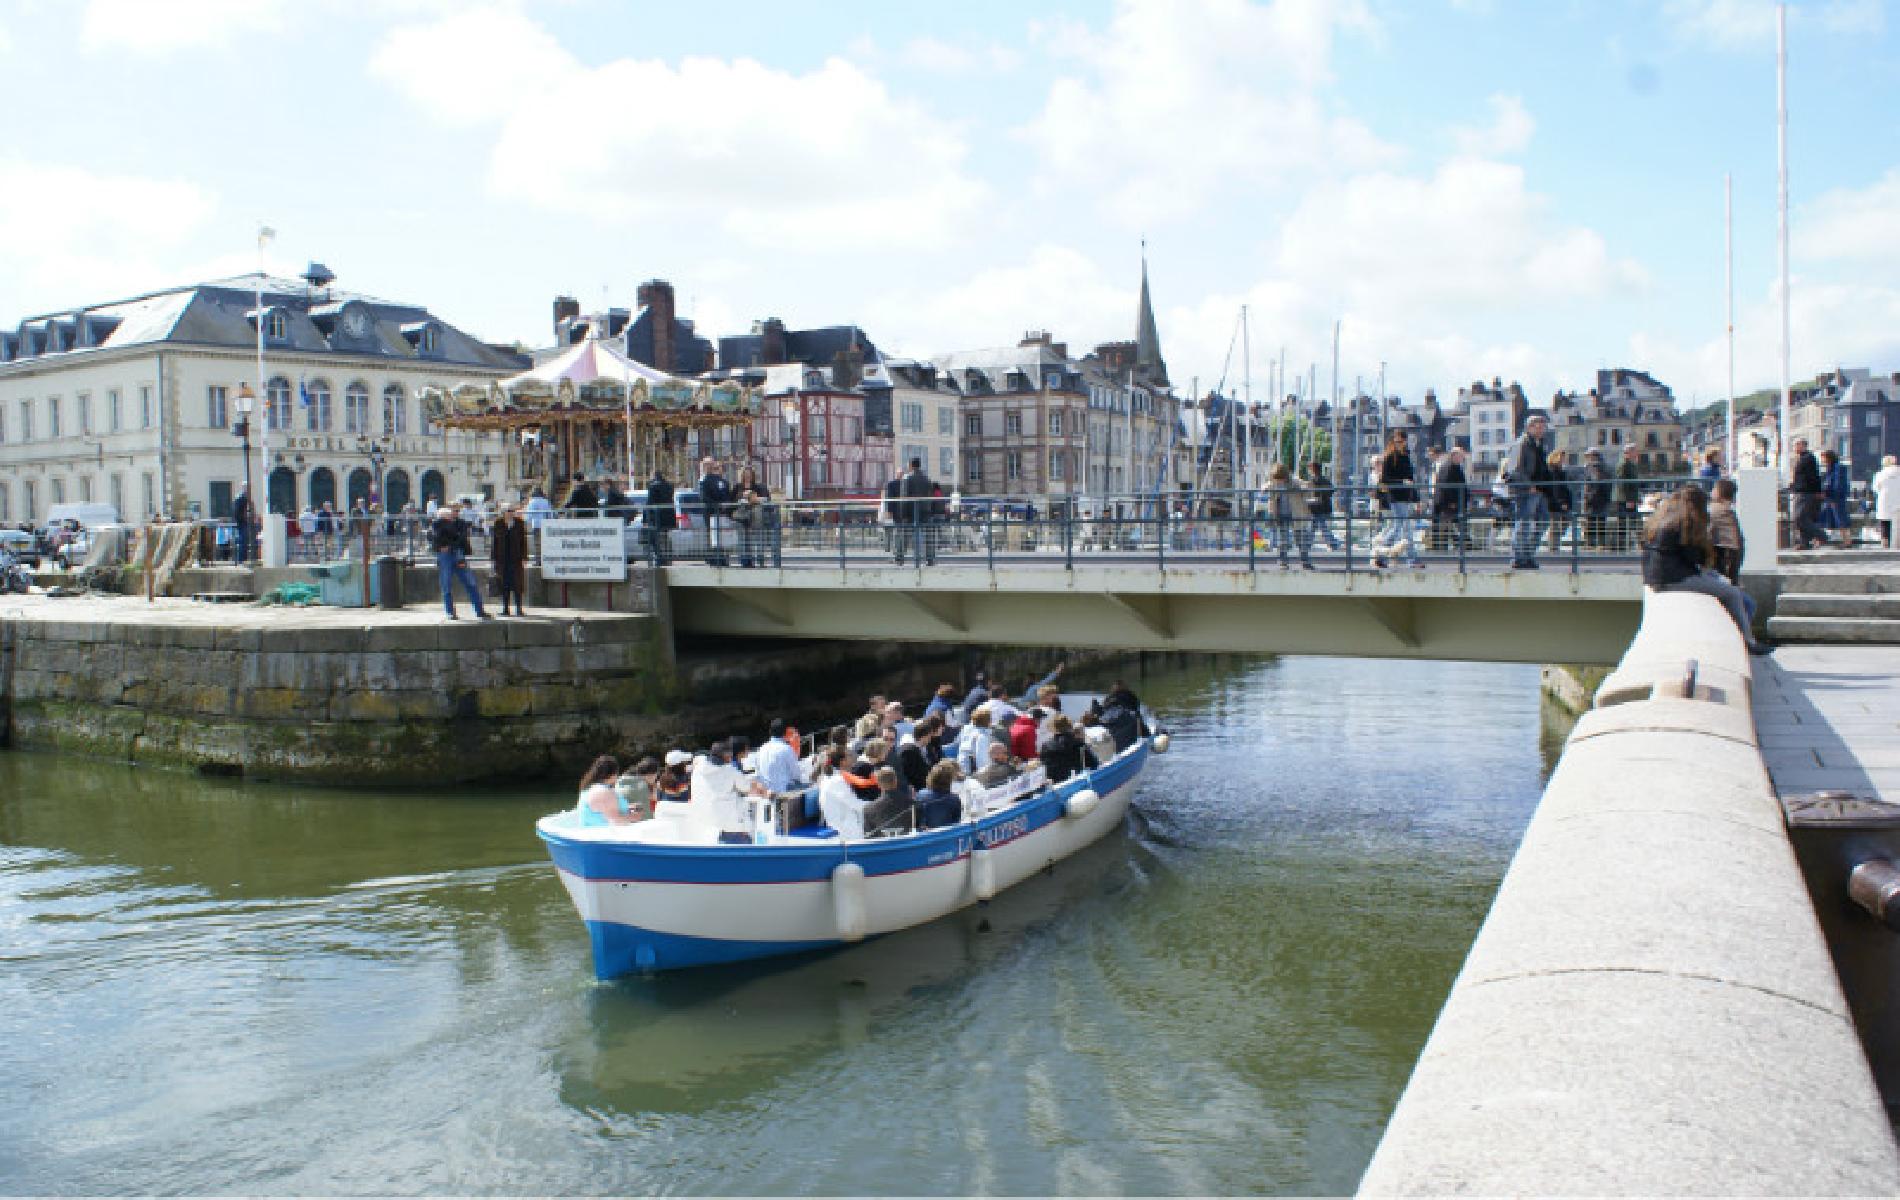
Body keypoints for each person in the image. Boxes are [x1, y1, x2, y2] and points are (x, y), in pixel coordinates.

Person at [1643, 486, 1770, 654]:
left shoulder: (1664, 520)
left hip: (1657, 577)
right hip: (1673, 579)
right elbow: (1695, 557)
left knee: (1722, 584)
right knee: (1732, 593)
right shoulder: (1684, 524)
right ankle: (1749, 642)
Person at [691, 738, 765, 844]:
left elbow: (697, 759)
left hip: (704, 823)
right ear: (726, 756)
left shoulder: (698, 767)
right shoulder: (729, 770)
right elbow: (747, 788)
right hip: (728, 825)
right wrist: (760, 787)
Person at [1504, 414, 1553, 569]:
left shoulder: (1539, 445)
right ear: (1529, 427)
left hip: (1539, 490)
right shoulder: (1521, 444)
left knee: (1543, 521)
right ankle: (1519, 557)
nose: (1541, 430)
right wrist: (1528, 485)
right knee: (1524, 523)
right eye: (1537, 426)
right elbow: (1514, 470)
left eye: (1542, 427)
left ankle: (1528, 554)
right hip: (1525, 490)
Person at [429, 501, 491, 621]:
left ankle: (479, 610)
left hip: (458, 555)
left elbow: (461, 539)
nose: (455, 513)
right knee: (446, 584)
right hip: (445, 556)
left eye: (457, 511)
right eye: (453, 510)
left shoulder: (461, 523)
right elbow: (434, 538)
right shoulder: (438, 523)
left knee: (470, 582)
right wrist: (444, 546)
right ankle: (450, 612)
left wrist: (449, 546)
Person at [1373, 430, 1422, 568]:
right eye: (1397, 442)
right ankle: (1408, 558)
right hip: (1395, 495)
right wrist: (1401, 482)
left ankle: (1384, 555)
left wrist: (1416, 499)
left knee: (1403, 527)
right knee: (1401, 526)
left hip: (1405, 496)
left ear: (1405, 441)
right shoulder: (1390, 457)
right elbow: (1384, 479)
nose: (1399, 444)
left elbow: (1411, 479)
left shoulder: (1406, 456)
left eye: (1401, 441)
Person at [1264, 463, 1313, 570]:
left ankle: (1305, 561)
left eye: (1280, 478)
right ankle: (1283, 561)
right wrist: (1265, 489)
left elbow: (1305, 488)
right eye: (1277, 479)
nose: (1279, 481)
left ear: (1285, 476)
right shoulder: (1274, 482)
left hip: (1296, 514)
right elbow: (1265, 486)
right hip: (1281, 514)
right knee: (1283, 539)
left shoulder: (1294, 482)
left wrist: (1304, 488)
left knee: (1300, 539)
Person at [815, 747, 868, 840]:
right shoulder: (837, 781)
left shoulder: (829, 778)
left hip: (844, 829)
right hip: (845, 834)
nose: (852, 758)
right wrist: (880, 805)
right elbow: (855, 804)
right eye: (849, 756)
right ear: (843, 761)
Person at [896, 456, 938, 566]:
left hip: (910, 511)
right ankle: (930, 558)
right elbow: (930, 496)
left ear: (910, 465)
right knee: (928, 536)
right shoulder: (926, 478)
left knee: (904, 535)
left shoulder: (907, 478)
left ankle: (900, 558)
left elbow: (904, 497)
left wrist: (902, 513)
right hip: (925, 510)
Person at [575, 756, 639, 827]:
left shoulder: (589, 788)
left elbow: (604, 810)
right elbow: (615, 822)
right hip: (603, 835)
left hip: (589, 833)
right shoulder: (604, 792)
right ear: (612, 774)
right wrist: (634, 816)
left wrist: (628, 807)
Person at [1788, 437, 1827, 550]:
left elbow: (1813, 476)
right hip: (1801, 491)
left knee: (1800, 517)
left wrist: (1817, 491)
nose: (1794, 448)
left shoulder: (1808, 458)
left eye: (1796, 445)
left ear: (1802, 445)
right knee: (1803, 518)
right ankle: (1804, 542)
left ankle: (1821, 535)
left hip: (1806, 492)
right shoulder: (1802, 458)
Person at [492, 503, 530, 617]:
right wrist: (493, 558)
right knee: (504, 585)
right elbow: (495, 541)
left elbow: (523, 541)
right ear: (503, 512)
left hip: (516, 559)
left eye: (512, 511)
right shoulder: (498, 523)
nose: (510, 513)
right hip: (502, 559)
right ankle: (505, 609)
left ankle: (519, 609)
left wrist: (524, 557)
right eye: (508, 511)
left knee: (517, 584)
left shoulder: (519, 523)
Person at [753, 717, 807, 795]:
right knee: (813, 786)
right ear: (786, 733)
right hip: (784, 791)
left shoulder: (761, 749)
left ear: (770, 731)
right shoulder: (786, 749)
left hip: (767, 792)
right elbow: (796, 775)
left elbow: (758, 775)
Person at [731, 464, 771, 568]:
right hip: (741, 518)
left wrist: (755, 499)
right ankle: (746, 562)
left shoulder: (759, 487)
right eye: (745, 474)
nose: (748, 476)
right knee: (743, 540)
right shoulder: (737, 487)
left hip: (756, 519)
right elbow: (732, 502)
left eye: (749, 474)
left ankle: (760, 561)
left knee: (759, 539)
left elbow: (766, 499)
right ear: (742, 475)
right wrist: (742, 499)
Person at [696, 457, 733, 567]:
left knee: (721, 536)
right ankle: (715, 558)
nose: (708, 467)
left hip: (719, 513)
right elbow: (704, 497)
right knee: (713, 535)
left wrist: (723, 506)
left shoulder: (719, 481)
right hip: (712, 513)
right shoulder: (705, 480)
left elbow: (725, 495)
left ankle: (721, 558)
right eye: (706, 465)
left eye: (709, 465)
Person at [1431, 446, 1468, 554]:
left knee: (1452, 528)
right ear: (1454, 456)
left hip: (1452, 504)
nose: (1462, 458)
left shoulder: (1453, 467)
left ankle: (1457, 549)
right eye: (1461, 456)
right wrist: (1452, 502)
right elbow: (1445, 486)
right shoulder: (1448, 467)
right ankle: (1444, 551)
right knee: (1447, 528)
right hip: (1448, 505)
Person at [1708, 477, 1745, 584]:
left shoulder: (1716, 509)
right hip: (1733, 553)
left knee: (1724, 583)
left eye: (1714, 488)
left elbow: (1708, 532)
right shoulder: (1728, 510)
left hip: (1724, 552)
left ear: (1719, 492)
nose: (1712, 491)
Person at [864, 766, 915, 837]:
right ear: (896, 781)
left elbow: (869, 837)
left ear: (878, 784)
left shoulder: (868, 810)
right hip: (908, 845)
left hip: (884, 847)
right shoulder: (912, 804)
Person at [1302, 461, 1342, 551]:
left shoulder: (1316, 481)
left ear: (1313, 469)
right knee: (1317, 528)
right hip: (1322, 508)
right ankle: (1332, 544)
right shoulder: (1323, 480)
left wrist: (1315, 499)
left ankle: (1332, 544)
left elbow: (1321, 494)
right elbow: (1331, 490)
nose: (1309, 471)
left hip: (1319, 508)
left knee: (1318, 528)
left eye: (1310, 468)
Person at [1039, 714, 1091, 783]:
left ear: (1054, 728)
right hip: (1080, 780)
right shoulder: (1078, 742)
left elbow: (1046, 770)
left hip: (1059, 784)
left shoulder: (1046, 746)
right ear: (1069, 726)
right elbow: (1092, 762)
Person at [914, 759, 964, 830]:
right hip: (947, 837)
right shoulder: (954, 800)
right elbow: (956, 823)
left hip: (926, 838)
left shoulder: (920, 795)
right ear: (950, 780)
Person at [642, 468, 676, 565]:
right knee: (665, 537)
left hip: (656, 518)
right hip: (668, 517)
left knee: (654, 538)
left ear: (653, 476)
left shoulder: (653, 486)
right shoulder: (669, 486)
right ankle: (667, 557)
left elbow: (649, 503)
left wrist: (645, 518)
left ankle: (659, 558)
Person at [1544, 448, 1574, 556]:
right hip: (1555, 502)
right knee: (1555, 524)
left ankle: (1554, 545)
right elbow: (1556, 488)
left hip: (1561, 501)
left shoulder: (1561, 471)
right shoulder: (1553, 471)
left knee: (1562, 523)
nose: (1564, 459)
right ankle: (1553, 547)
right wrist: (1561, 502)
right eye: (1562, 457)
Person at [1580, 448, 1613, 550]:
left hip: (1594, 501)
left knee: (1590, 522)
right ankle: (1600, 544)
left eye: (1588, 456)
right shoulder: (1605, 467)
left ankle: (1590, 544)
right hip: (1603, 500)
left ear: (1593, 456)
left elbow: (1594, 484)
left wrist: (1588, 497)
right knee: (1601, 523)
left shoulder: (1594, 467)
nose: (1586, 458)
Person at [1612, 445, 1642, 552]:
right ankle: (1620, 547)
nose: (1636, 453)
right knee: (1624, 523)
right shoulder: (1623, 464)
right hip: (1624, 499)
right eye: (1635, 451)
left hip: (1630, 499)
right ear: (1629, 452)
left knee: (1634, 522)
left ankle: (1632, 544)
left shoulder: (1631, 464)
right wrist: (1628, 499)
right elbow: (1622, 482)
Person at [1820, 449, 1852, 545]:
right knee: (1827, 518)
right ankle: (1819, 540)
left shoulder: (1838, 468)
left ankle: (1847, 541)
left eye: (1824, 458)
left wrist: (1833, 496)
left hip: (1835, 497)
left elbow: (1837, 484)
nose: (1823, 460)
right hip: (1831, 497)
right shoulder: (1831, 468)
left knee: (1840, 518)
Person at [614, 756, 660, 823]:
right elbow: (647, 816)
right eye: (656, 774)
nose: (656, 777)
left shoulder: (622, 780)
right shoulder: (639, 787)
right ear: (651, 774)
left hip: (621, 822)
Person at [954, 706, 996, 774]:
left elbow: (957, 742)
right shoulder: (982, 737)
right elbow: (982, 761)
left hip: (961, 766)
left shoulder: (966, 729)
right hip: (970, 772)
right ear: (988, 722)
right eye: (991, 719)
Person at [1873, 454, 1900, 549]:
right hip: (1898, 502)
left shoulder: (1880, 474)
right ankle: (1897, 544)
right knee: (1898, 525)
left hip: (1884, 502)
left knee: (1885, 523)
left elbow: (1876, 488)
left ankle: (1885, 544)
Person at [232, 485, 255, 564]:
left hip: (245, 523)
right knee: (243, 542)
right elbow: (237, 512)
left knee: (245, 542)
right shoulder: (241, 499)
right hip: (242, 524)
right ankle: (241, 560)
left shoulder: (245, 499)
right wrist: (244, 518)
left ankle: (243, 559)